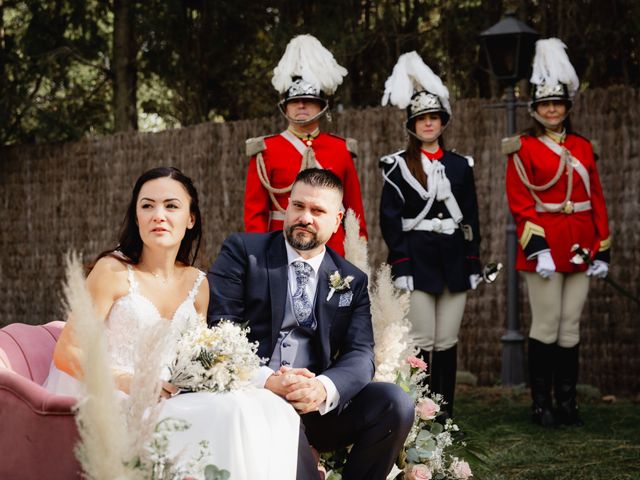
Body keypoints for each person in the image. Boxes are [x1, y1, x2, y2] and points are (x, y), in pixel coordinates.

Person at [45, 167, 300, 479]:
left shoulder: (198, 283)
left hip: (173, 394)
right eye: (147, 206)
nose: (158, 215)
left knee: (270, 406)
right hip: (119, 397)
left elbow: (197, 355)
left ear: (190, 218)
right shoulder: (111, 271)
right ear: (136, 216)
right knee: (228, 412)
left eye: (171, 206)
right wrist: (131, 382)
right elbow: (67, 351)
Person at [209, 168, 415, 480]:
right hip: (253, 397)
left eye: (318, 211)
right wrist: (266, 380)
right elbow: (221, 326)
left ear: (337, 219)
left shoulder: (350, 279)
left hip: (315, 407)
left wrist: (322, 388)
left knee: (394, 403)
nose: (305, 217)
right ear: (287, 207)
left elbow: (361, 353)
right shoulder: (244, 253)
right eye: (298, 206)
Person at [504, 38, 611, 427]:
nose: (552, 109)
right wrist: (539, 249)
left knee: (571, 325)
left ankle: (568, 403)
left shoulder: (584, 147)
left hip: (582, 243)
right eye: (545, 104)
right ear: (535, 109)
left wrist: (603, 248)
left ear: (566, 108)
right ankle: (541, 403)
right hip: (544, 246)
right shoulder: (523, 148)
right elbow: (520, 202)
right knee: (546, 325)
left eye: (558, 103)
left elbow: (596, 198)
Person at [378, 52, 481, 419]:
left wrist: (473, 262)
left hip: (454, 260)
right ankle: (420, 415)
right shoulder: (397, 166)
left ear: (443, 122)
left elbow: (470, 217)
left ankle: (445, 415)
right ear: (411, 124)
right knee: (419, 341)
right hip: (417, 261)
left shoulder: (459, 165)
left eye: (434, 117)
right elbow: (390, 220)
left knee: (446, 341)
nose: (428, 124)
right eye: (421, 118)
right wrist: (401, 263)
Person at [244, 34, 367, 256]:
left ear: (321, 106)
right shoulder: (266, 150)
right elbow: (255, 214)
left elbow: (354, 210)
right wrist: (259, 255)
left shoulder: (340, 149)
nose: (301, 105)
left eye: (309, 101)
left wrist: (357, 253)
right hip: (280, 247)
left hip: (332, 249)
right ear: (285, 106)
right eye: (294, 101)